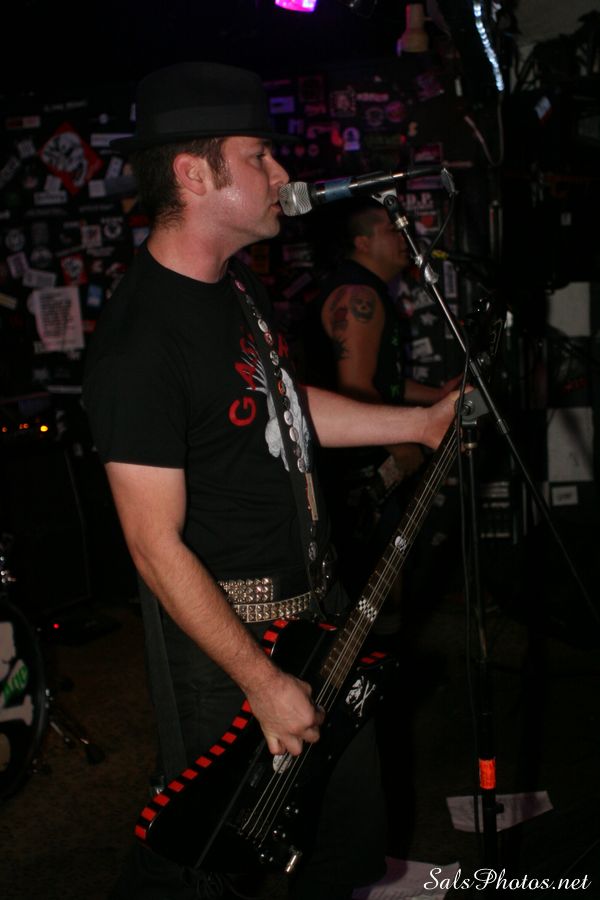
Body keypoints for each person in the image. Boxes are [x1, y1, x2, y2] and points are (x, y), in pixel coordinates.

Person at [83, 61, 459, 900]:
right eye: (259, 156)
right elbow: (152, 545)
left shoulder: (234, 287)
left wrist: (417, 423)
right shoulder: (141, 343)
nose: (282, 174)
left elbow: (282, 405)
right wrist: (262, 684)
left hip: (317, 617)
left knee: (344, 847)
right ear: (195, 174)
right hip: (229, 649)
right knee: (207, 868)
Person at [305, 198, 460, 623]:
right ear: (362, 241)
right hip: (354, 466)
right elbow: (354, 386)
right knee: (373, 582)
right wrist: (399, 443)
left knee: (383, 572)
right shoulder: (359, 296)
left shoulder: (365, 291)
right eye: (392, 230)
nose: (404, 237)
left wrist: (435, 395)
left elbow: (380, 381)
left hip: (360, 457)